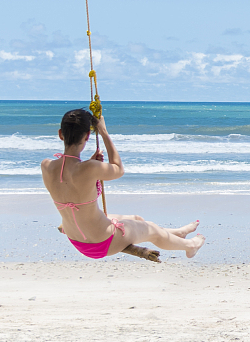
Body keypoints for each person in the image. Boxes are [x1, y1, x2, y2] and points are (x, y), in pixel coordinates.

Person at [42, 108, 204, 261]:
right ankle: (190, 246)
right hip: (103, 243)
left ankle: (178, 233)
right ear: (87, 136)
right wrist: (104, 132)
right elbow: (118, 169)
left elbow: (72, 184)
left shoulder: (47, 166)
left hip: (76, 240)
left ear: (60, 134)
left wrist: (91, 163)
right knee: (152, 229)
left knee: (136, 219)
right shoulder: (89, 169)